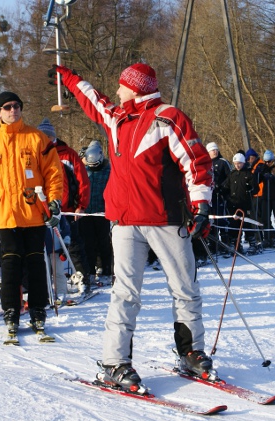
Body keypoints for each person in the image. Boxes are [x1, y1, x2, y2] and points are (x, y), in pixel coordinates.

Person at [53, 62, 214, 391]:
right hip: (124, 221)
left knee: (185, 288)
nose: (117, 90)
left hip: (165, 219)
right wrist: (66, 77)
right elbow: (91, 97)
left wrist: (201, 207)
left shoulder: (168, 117)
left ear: (136, 87)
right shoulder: (116, 117)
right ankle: (115, 362)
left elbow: (195, 162)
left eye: (122, 85)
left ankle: (191, 352)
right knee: (125, 293)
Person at [0, 91, 64, 332]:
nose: (14, 110)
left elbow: (54, 173)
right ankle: (11, 310)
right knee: (9, 268)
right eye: (8, 107)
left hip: (34, 214)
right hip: (5, 215)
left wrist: (54, 201)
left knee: (35, 265)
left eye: (17, 106)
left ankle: (38, 309)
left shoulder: (37, 138)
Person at [38, 118, 93, 294]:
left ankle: (83, 280)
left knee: (74, 246)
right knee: (46, 248)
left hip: (67, 208)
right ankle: (45, 285)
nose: (45, 138)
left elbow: (82, 180)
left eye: (47, 135)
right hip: (44, 210)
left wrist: (81, 205)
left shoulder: (67, 154)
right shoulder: (35, 153)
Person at [81, 141, 113, 286]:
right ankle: (91, 272)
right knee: (88, 244)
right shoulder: (83, 170)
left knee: (104, 243)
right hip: (86, 212)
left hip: (102, 212)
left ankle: (106, 271)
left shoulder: (109, 170)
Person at [220, 153, 254, 253]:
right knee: (234, 225)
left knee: (246, 223)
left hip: (244, 203)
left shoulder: (248, 174)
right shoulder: (232, 174)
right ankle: (236, 245)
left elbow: (255, 188)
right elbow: (226, 185)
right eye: (235, 163)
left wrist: (250, 188)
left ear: (243, 163)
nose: (237, 165)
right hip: (233, 203)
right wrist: (220, 189)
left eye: (239, 163)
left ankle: (253, 243)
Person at [206, 142, 232, 254]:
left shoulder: (223, 162)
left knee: (222, 219)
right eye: (212, 150)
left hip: (221, 195)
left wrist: (222, 187)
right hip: (210, 196)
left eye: (216, 149)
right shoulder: (206, 163)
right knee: (211, 220)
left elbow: (230, 177)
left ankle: (225, 244)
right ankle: (213, 244)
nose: (215, 151)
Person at [245, 148, 264, 253]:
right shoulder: (251, 167)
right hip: (254, 195)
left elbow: (257, 178)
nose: (250, 160)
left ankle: (260, 237)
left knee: (257, 217)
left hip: (259, 194)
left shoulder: (259, 165)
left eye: (252, 158)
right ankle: (257, 237)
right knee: (254, 217)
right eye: (249, 158)